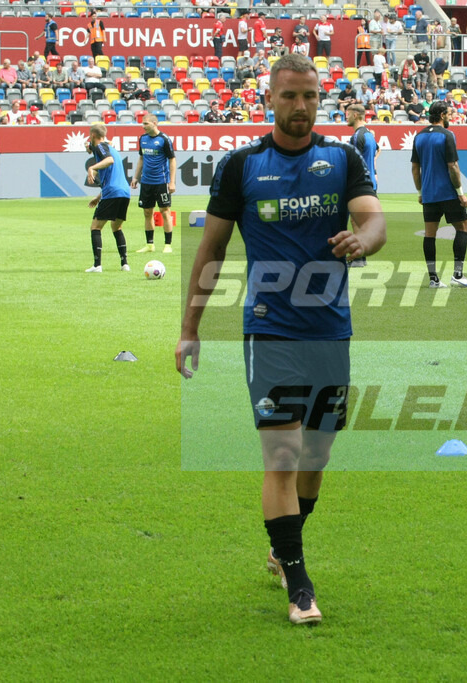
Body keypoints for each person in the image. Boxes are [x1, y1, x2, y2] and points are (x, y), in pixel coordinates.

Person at [175, 53, 386, 627]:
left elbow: (375, 220)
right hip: (269, 330)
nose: (301, 106)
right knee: (283, 453)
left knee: (316, 455)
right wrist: (190, 329)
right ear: (269, 98)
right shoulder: (242, 166)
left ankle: (282, 544)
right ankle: (300, 584)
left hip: (330, 329)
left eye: (310, 96)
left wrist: (364, 241)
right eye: (290, 96)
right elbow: (211, 251)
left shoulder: (342, 159)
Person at [411, 101, 467, 289]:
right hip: (448, 193)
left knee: (430, 234)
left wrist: (420, 192)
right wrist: (461, 193)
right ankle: (458, 275)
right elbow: (453, 166)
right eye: (448, 114)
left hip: (429, 194)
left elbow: (415, 168)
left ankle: (433, 279)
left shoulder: (419, 136)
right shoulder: (448, 135)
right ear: (441, 115)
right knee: (462, 228)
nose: (450, 117)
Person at [84, 122, 131, 273]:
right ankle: (125, 264)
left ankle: (97, 265)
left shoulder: (101, 148)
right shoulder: (112, 148)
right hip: (124, 192)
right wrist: (98, 197)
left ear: (92, 136)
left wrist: (91, 167)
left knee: (95, 227)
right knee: (116, 227)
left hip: (112, 193)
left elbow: (108, 160)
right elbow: (112, 177)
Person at [129, 113, 178, 254]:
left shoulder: (164, 139)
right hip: (146, 182)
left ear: (154, 123)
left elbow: (172, 160)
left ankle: (167, 244)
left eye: (146, 124)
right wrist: (136, 177)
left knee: (165, 211)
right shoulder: (143, 139)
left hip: (161, 181)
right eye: (142, 124)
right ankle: (149, 245)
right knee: (147, 212)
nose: (143, 126)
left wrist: (172, 182)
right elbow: (141, 159)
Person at [346, 104, 378, 267]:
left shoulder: (357, 136)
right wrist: (375, 171)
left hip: (360, 184)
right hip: (370, 181)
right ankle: (361, 255)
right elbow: (376, 152)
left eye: (348, 114)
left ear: (357, 115)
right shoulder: (369, 135)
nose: (346, 117)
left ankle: (359, 257)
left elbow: (355, 162)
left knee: (356, 221)